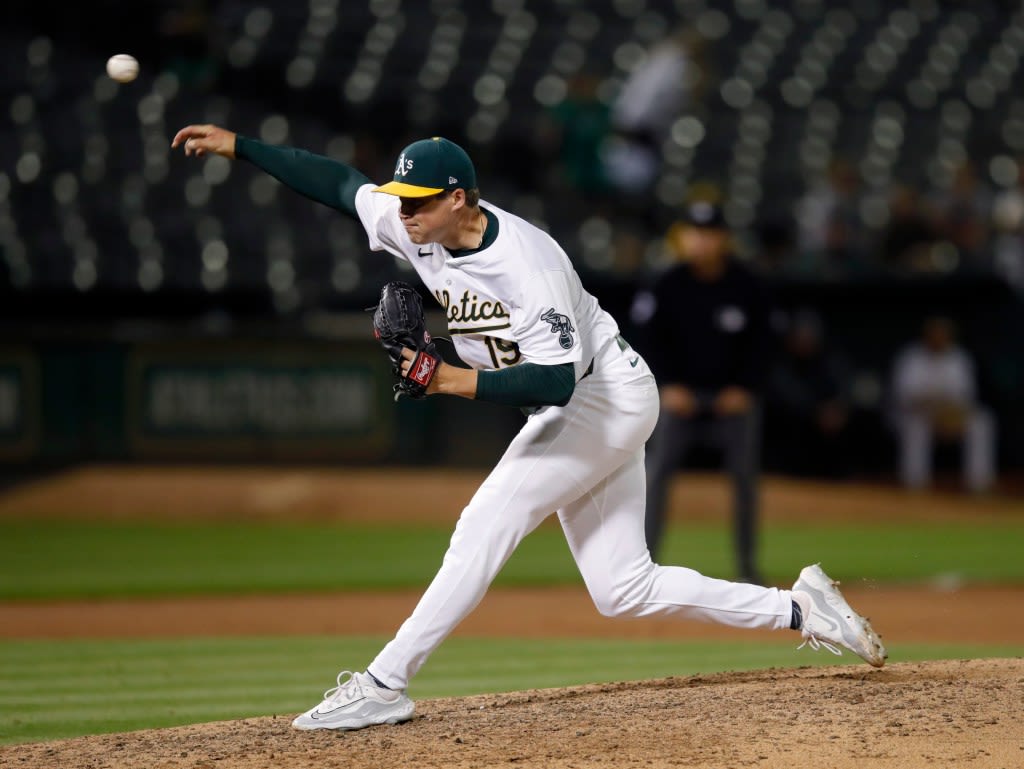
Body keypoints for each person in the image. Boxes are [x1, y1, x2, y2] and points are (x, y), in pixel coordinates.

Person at [171, 125, 887, 732]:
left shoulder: (527, 262)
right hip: (586, 404)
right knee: (623, 588)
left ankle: (385, 682)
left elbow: (553, 382)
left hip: (602, 397)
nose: (404, 214)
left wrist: (444, 375)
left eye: (419, 203)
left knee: (486, 521)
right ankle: (800, 607)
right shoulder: (413, 223)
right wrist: (241, 146)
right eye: (402, 203)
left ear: (459, 198)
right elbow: (335, 183)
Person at [631, 200, 774, 584]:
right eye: (695, 233)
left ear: (723, 238)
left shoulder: (748, 284)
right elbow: (646, 340)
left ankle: (747, 568)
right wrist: (666, 385)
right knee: (657, 473)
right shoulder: (666, 283)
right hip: (680, 399)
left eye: (710, 233)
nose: (702, 241)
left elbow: (764, 343)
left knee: (744, 479)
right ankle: (642, 566)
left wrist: (745, 388)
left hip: (734, 401)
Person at [890, 316, 996, 493]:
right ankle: (915, 483)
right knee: (916, 426)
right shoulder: (911, 357)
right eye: (935, 334)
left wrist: (949, 418)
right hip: (915, 415)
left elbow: (965, 397)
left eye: (943, 335)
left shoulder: (959, 358)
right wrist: (935, 411)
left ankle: (979, 482)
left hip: (948, 415)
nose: (939, 338)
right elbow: (906, 397)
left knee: (982, 421)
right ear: (926, 336)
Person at [764, 308, 853, 479]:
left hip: (826, 426)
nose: (804, 341)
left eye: (809, 336)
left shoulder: (831, 357)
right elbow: (784, 392)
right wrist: (816, 410)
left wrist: (838, 407)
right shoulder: (781, 361)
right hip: (794, 423)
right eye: (799, 336)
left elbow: (843, 388)